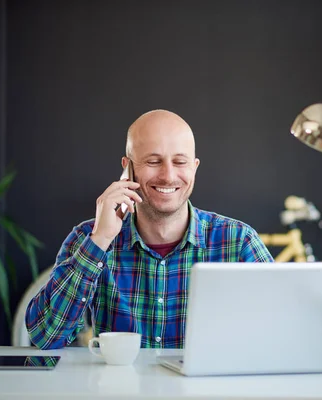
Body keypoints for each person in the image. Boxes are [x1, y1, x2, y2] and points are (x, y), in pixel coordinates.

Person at [26, 110, 273, 350]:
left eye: (180, 162)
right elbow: (45, 336)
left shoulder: (238, 242)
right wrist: (100, 240)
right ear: (128, 169)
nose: (168, 176)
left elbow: (281, 333)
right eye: (153, 162)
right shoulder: (89, 238)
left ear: (194, 167)